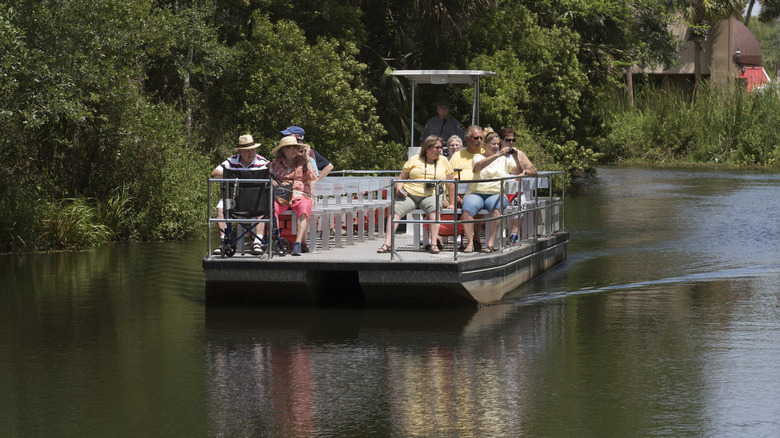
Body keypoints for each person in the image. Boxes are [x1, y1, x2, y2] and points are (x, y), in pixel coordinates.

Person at [377, 135, 455, 254]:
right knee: (395, 211)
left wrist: (452, 203)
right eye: (437, 147)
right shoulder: (414, 159)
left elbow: (451, 183)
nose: (440, 150)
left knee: (434, 212)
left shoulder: (444, 161)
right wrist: (399, 189)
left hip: (432, 195)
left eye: (440, 147)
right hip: (410, 194)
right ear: (427, 148)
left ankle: (433, 243)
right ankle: (387, 243)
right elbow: (401, 177)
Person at [461, 131, 526, 253]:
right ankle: (470, 243)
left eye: (497, 144)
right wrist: (498, 155)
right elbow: (479, 166)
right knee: (467, 210)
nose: (496, 147)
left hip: (496, 193)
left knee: (496, 211)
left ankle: (490, 243)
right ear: (485, 145)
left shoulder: (505, 160)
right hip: (476, 193)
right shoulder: (478, 157)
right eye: (493, 144)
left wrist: (516, 157)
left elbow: (518, 171)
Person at [211, 134, 269, 256]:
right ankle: (224, 240)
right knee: (220, 208)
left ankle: (257, 241)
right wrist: (231, 176)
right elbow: (215, 174)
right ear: (240, 151)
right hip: (234, 200)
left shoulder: (263, 162)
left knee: (264, 205)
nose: (251, 153)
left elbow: (273, 175)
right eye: (247, 151)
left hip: (255, 200)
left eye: (253, 149)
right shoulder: (231, 161)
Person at [269, 135, 319, 256]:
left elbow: (313, 177)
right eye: (289, 147)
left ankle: (298, 243)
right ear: (283, 150)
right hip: (282, 196)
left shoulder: (303, 161)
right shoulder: (276, 163)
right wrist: (270, 180)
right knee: (271, 208)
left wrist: (307, 159)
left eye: (295, 147)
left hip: (301, 195)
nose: (293, 150)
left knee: (304, 207)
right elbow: (267, 174)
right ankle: (278, 241)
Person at [448, 125, 485, 250]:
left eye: (481, 138)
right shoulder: (458, 155)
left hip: (480, 191)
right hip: (458, 193)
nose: (479, 140)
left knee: (477, 204)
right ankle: (436, 238)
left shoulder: (486, 154)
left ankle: (477, 239)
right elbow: (449, 176)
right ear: (467, 139)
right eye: (476, 138)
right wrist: (456, 197)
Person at [499, 127, 537, 244]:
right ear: (500, 140)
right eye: (507, 140)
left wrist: (523, 173)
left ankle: (514, 234)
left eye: (513, 140)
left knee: (519, 200)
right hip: (498, 189)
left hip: (515, 190)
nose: (511, 143)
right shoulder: (494, 152)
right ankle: (496, 236)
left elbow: (533, 171)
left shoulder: (518, 154)